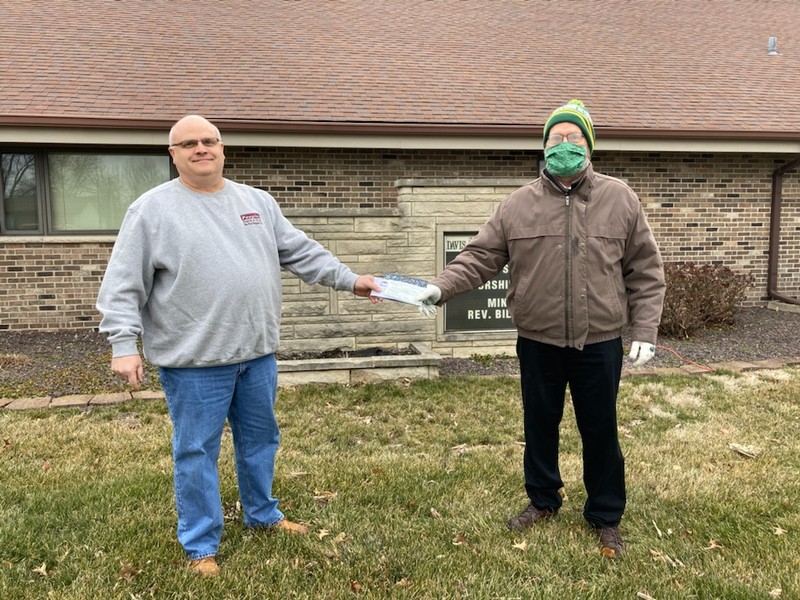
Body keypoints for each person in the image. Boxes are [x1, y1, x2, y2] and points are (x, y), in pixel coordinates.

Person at [96, 115, 381, 576]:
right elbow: (123, 285)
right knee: (196, 452)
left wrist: (350, 280)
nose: (201, 148)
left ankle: (263, 515)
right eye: (188, 143)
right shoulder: (151, 211)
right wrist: (123, 343)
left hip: (257, 355)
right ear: (174, 155)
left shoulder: (257, 203)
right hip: (194, 364)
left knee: (260, 440)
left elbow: (301, 252)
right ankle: (200, 543)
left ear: (223, 148)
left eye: (209, 141)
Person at [417, 100, 665, 558]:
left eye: (574, 138)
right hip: (537, 341)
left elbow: (645, 271)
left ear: (589, 146)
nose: (564, 145)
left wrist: (645, 330)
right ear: (544, 146)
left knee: (600, 429)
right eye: (556, 138)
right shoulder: (518, 204)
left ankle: (605, 515)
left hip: (600, 342)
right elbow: (478, 258)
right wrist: (439, 288)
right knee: (540, 424)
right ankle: (543, 500)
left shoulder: (620, 198)